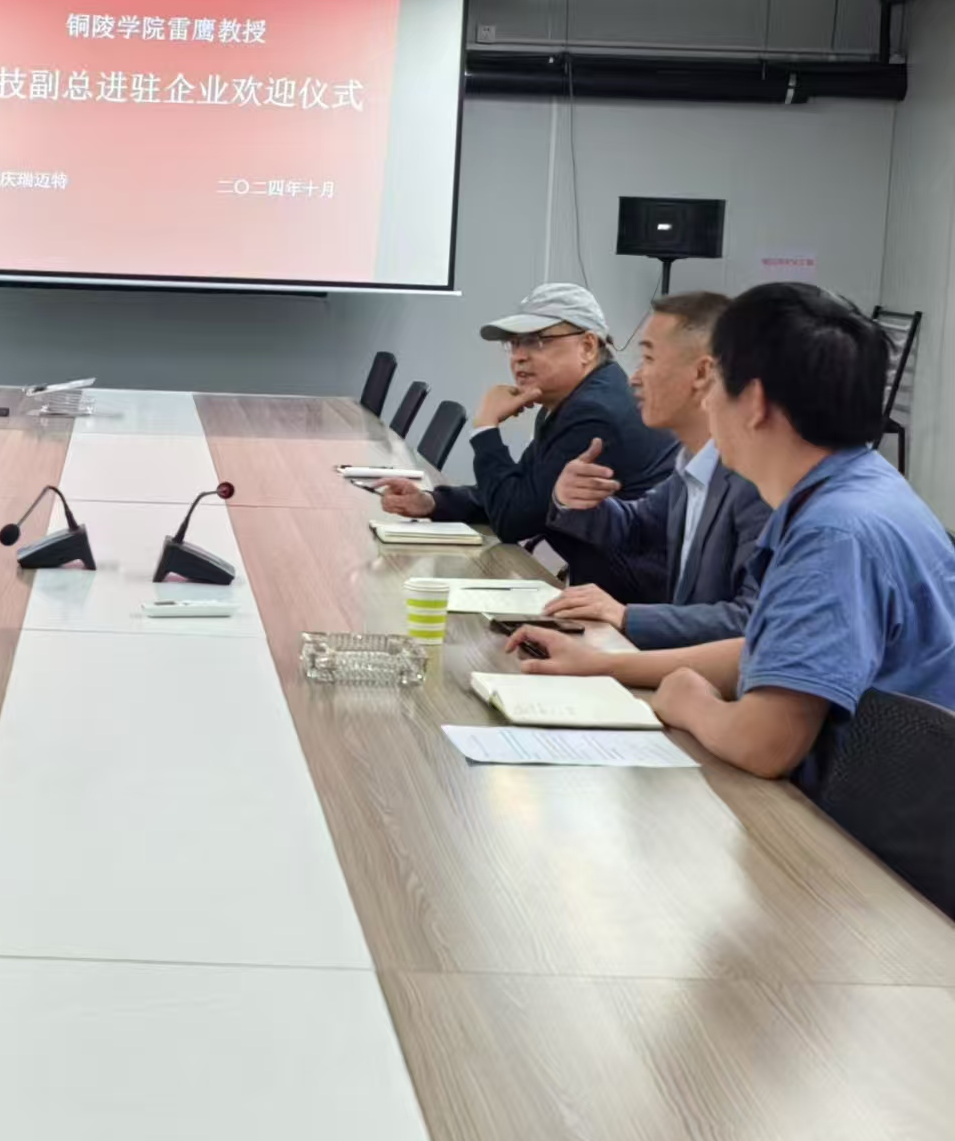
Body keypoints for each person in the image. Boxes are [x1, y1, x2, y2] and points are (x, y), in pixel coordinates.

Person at [507, 283, 955, 782]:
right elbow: (769, 648)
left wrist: (689, 700)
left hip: (860, 817)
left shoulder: (832, 533)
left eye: (717, 382)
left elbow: (765, 743)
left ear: (754, 401)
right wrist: (605, 664)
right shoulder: (854, 486)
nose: (707, 402)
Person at [378, 283, 677, 598]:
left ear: (588, 347)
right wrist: (434, 502)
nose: (519, 357)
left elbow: (513, 520)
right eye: (514, 343)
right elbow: (527, 493)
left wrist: (485, 429)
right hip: (604, 587)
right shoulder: (574, 400)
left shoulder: (595, 412)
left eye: (537, 341)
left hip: (633, 603)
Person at [539, 291, 772, 649]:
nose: (634, 378)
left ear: (702, 372)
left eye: (648, 358)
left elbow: (753, 623)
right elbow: (636, 528)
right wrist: (572, 498)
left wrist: (626, 616)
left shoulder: (758, 479)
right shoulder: (694, 462)